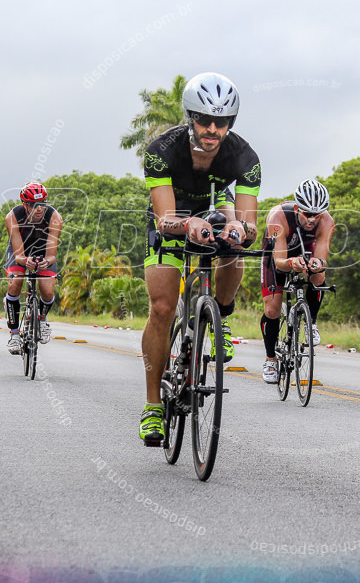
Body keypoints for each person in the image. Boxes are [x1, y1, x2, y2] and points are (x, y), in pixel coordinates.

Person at [138, 72, 260, 446]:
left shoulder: (245, 157)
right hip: (174, 217)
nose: (212, 128)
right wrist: (187, 224)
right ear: (190, 117)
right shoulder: (161, 151)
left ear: (230, 123)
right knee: (162, 307)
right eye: (204, 119)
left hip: (215, 209)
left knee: (233, 245)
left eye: (221, 122)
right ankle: (153, 407)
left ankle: (219, 316)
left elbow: (249, 223)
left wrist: (239, 231)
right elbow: (165, 219)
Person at [259, 179, 334, 383]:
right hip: (279, 254)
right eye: (307, 214)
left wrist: (317, 264)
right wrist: (292, 263)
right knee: (272, 309)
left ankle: (311, 322)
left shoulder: (327, 222)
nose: (312, 219)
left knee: (318, 276)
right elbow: (280, 261)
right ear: (296, 208)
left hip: (305, 248)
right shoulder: (278, 217)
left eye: (316, 214)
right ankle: (270, 359)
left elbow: (321, 257)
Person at [4, 182, 63, 354]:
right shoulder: (13, 217)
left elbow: (52, 254)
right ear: (25, 205)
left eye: (43, 204)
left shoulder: (54, 218)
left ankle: (42, 319)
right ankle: (14, 333)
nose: (39, 209)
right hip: (20, 251)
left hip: (43, 251)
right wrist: (25, 261)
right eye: (34, 205)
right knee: (15, 283)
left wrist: (46, 261)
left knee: (48, 289)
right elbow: (19, 256)